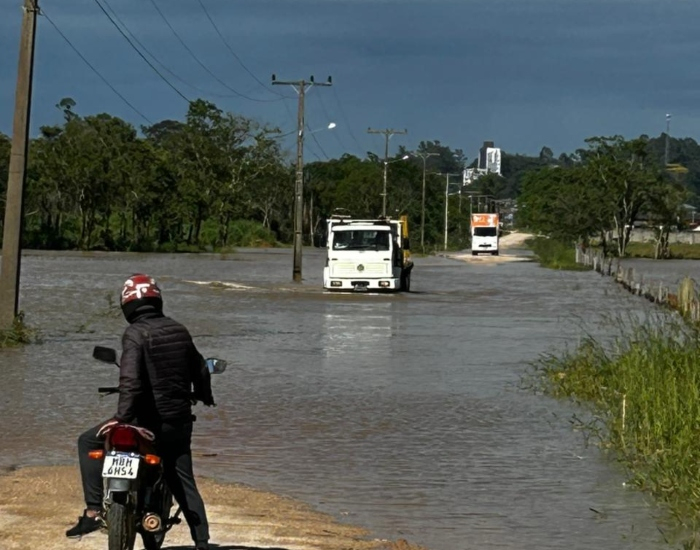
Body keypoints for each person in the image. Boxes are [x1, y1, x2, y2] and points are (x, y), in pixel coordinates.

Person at [66, 273, 215, 550]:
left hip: (142, 421)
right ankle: (202, 541)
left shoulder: (135, 333)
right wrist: (206, 396)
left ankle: (93, 511)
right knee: (182, 479)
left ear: (127, 306)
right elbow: (201, 369)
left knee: (87, 441)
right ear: (157, 300)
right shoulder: (179, 330)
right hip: (176, 421)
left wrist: (121, 418)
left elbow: (131, 380)